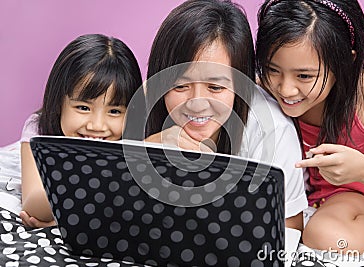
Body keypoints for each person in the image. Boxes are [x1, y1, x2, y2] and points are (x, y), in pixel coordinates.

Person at [142, 0, 308, 230]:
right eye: (180, 86)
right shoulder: (146, 105)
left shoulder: (272, 131)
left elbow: (289, 226)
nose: (197, 104)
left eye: (216, 88)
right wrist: (146, 149)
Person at [256, 0, 364, 256]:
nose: (286, 89)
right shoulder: (264, 92)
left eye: (304, 76)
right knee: (323, 234)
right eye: (272, 70)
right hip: (325, 203)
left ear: (344, 62)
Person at [19, 34, 143, 228]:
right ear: (59, 102)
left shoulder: (135, 142)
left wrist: (64, 220)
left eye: (114, 111)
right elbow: (33, 203)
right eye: (83, 108)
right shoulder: (38, 129)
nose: (97, 125)